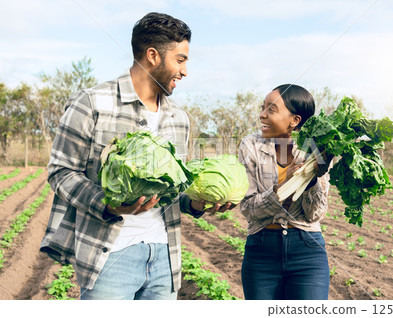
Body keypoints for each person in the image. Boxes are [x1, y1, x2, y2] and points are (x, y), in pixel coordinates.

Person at [40, 12, 230, 300]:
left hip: (165, 258)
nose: (185, 71)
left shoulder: (178, 118)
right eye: (180, 60)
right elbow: (61, 171)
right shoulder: (93, 102)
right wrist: (109, 205)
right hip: (109, 258)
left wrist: (196, 203)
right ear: (152, 55)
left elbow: (171, 189)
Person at [238, 84, 333, 300]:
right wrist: (282, 189)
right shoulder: (250, 145)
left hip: (307, 250)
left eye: (271, 109)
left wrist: (309, 183)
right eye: (263, 108)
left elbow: (315, 214)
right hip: (261, 250)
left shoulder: (316, 148)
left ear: (295, 120)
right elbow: (247, 207)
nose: (262, 115)